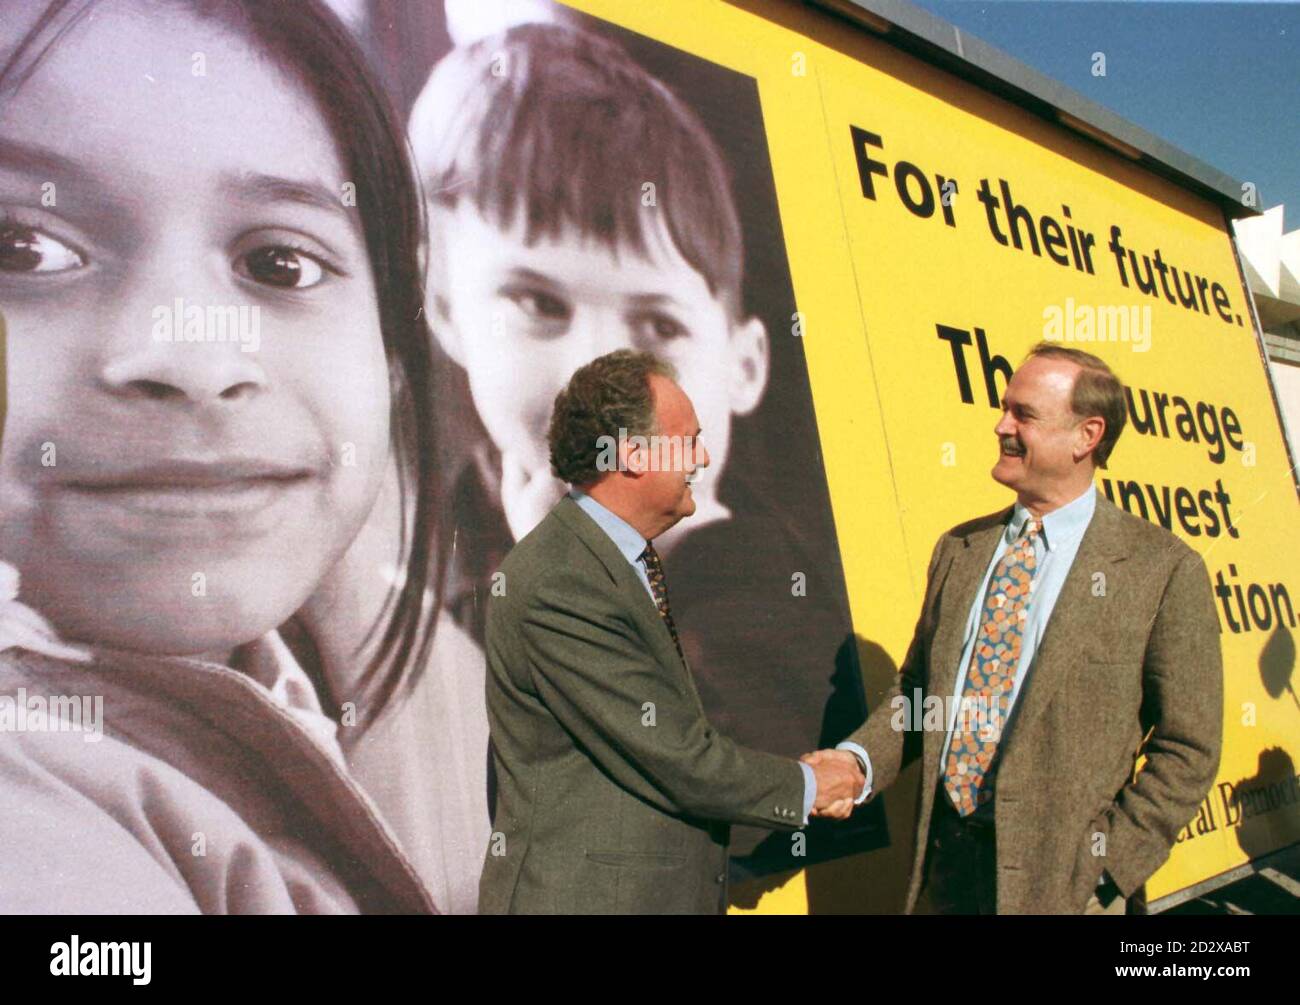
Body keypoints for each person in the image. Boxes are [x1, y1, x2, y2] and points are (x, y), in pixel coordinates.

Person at [0, 0, 445, 913]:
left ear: (394, 358)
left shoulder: (289, 674)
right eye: (25, 247)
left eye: (279, 263)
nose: (194, 358)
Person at [411, 21, 862, 870]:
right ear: (447, 313)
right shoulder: (438, 541)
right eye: (538, 304)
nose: (599, 370)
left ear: (743, 364)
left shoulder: (758, 586)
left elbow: (746, 832)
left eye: (657, 325)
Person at [806, 343, 1224, 914]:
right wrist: (856, 763)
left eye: (1023, 414)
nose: (1001, 425)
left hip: (1065, 889)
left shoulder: (1163, 571)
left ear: (1087, 435)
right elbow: (919, 694)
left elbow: (1189, 749)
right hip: (945, 870)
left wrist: (1107, 867)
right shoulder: (960, 549)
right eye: (1004, 408)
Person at [479, 350, 863, 914]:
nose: (702, 458)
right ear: (632, 455)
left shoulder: (612, 562)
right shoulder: (561, 579)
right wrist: (809, 786)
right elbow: (676, 758)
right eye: (688, 442)